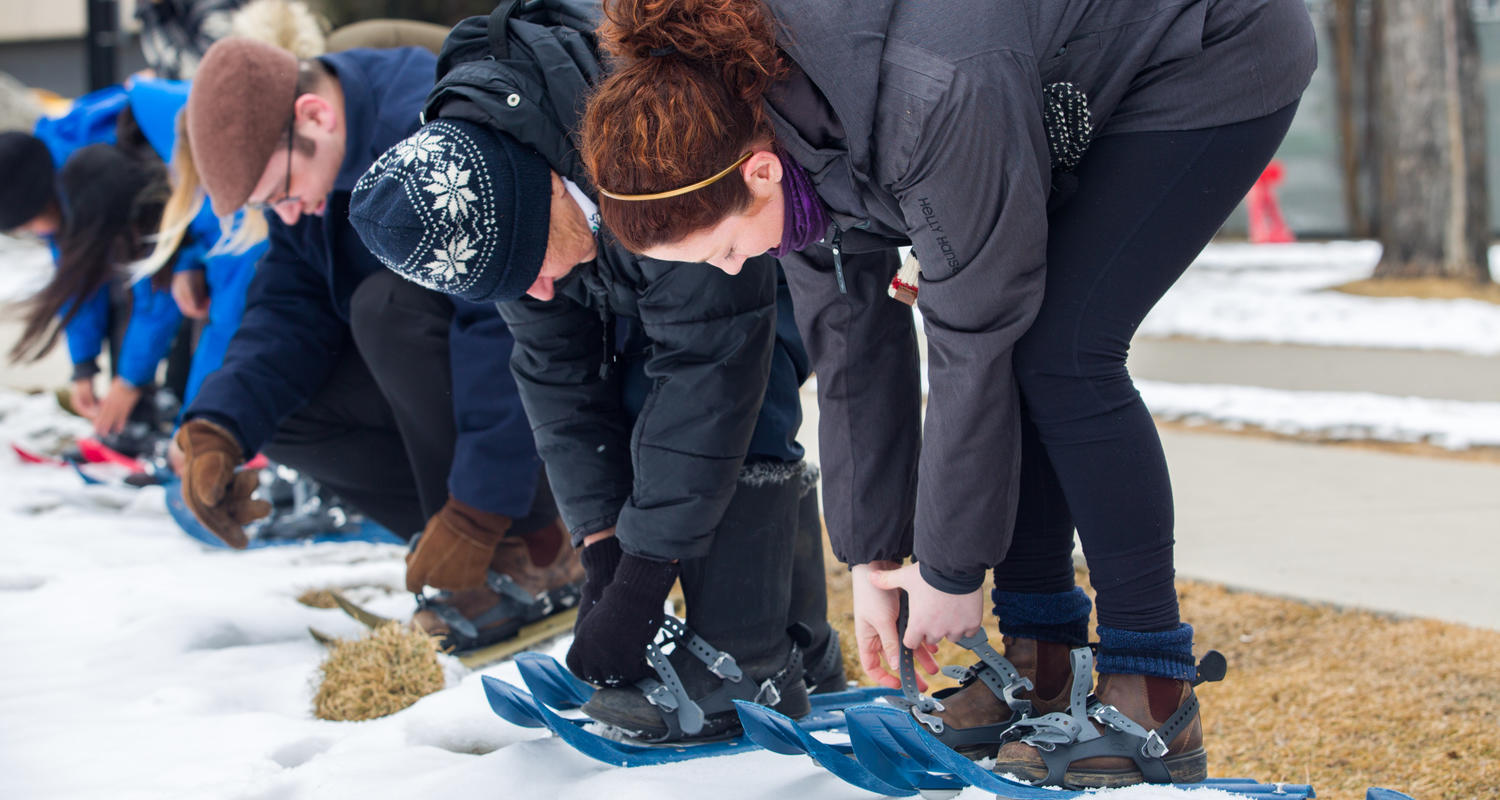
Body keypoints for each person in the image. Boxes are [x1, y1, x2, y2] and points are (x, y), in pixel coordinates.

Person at [577, 0, 1316, 787]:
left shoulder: (926, 96)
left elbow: (975, 340)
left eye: (724, 250)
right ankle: (1040, 666)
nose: (732, 270)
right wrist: (874, 553)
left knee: (1062, 351)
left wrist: (952, 571)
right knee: (1030, 342)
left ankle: (1153, 691)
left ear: (758, 174)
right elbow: (852, 339)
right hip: (1040, 77)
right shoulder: (768, 121)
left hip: (1205, 45)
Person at [347, 2, 842, 742]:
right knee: (628, 391)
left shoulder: (648, 143)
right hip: (639, 256)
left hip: (757, 231)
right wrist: (603, 545)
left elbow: (714, 360)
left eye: (528, 269)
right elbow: (557, 378)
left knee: (718, 386)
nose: (536, 294)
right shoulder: (503, 188)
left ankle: (752, 655)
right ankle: (801, 645)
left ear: (543, 190)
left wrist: (646, 574)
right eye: (513, 287)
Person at [166, 36, 581, 652]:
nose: (284, 214)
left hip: (561, 385)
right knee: (287, 413)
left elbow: (501, 321)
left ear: (315, 116)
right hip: (466, 391)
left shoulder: (434, 126)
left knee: (386, 306)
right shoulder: (312, 176)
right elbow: (289, 309)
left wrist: (480, 506)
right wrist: (218, 426)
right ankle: (475, 557)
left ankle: (539, 544)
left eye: (280, 192)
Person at [2, 125, 188, 443]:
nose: (37, 233)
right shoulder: (46, 180)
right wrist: (84, 364)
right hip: (147, 247)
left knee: (159, 301)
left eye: (30, 225)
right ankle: (138, 417)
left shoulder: (102, 179)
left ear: (41, 204)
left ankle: (182, 418)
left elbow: (155, 288)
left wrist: (130, 380)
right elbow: (77, 279)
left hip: (175, 243)